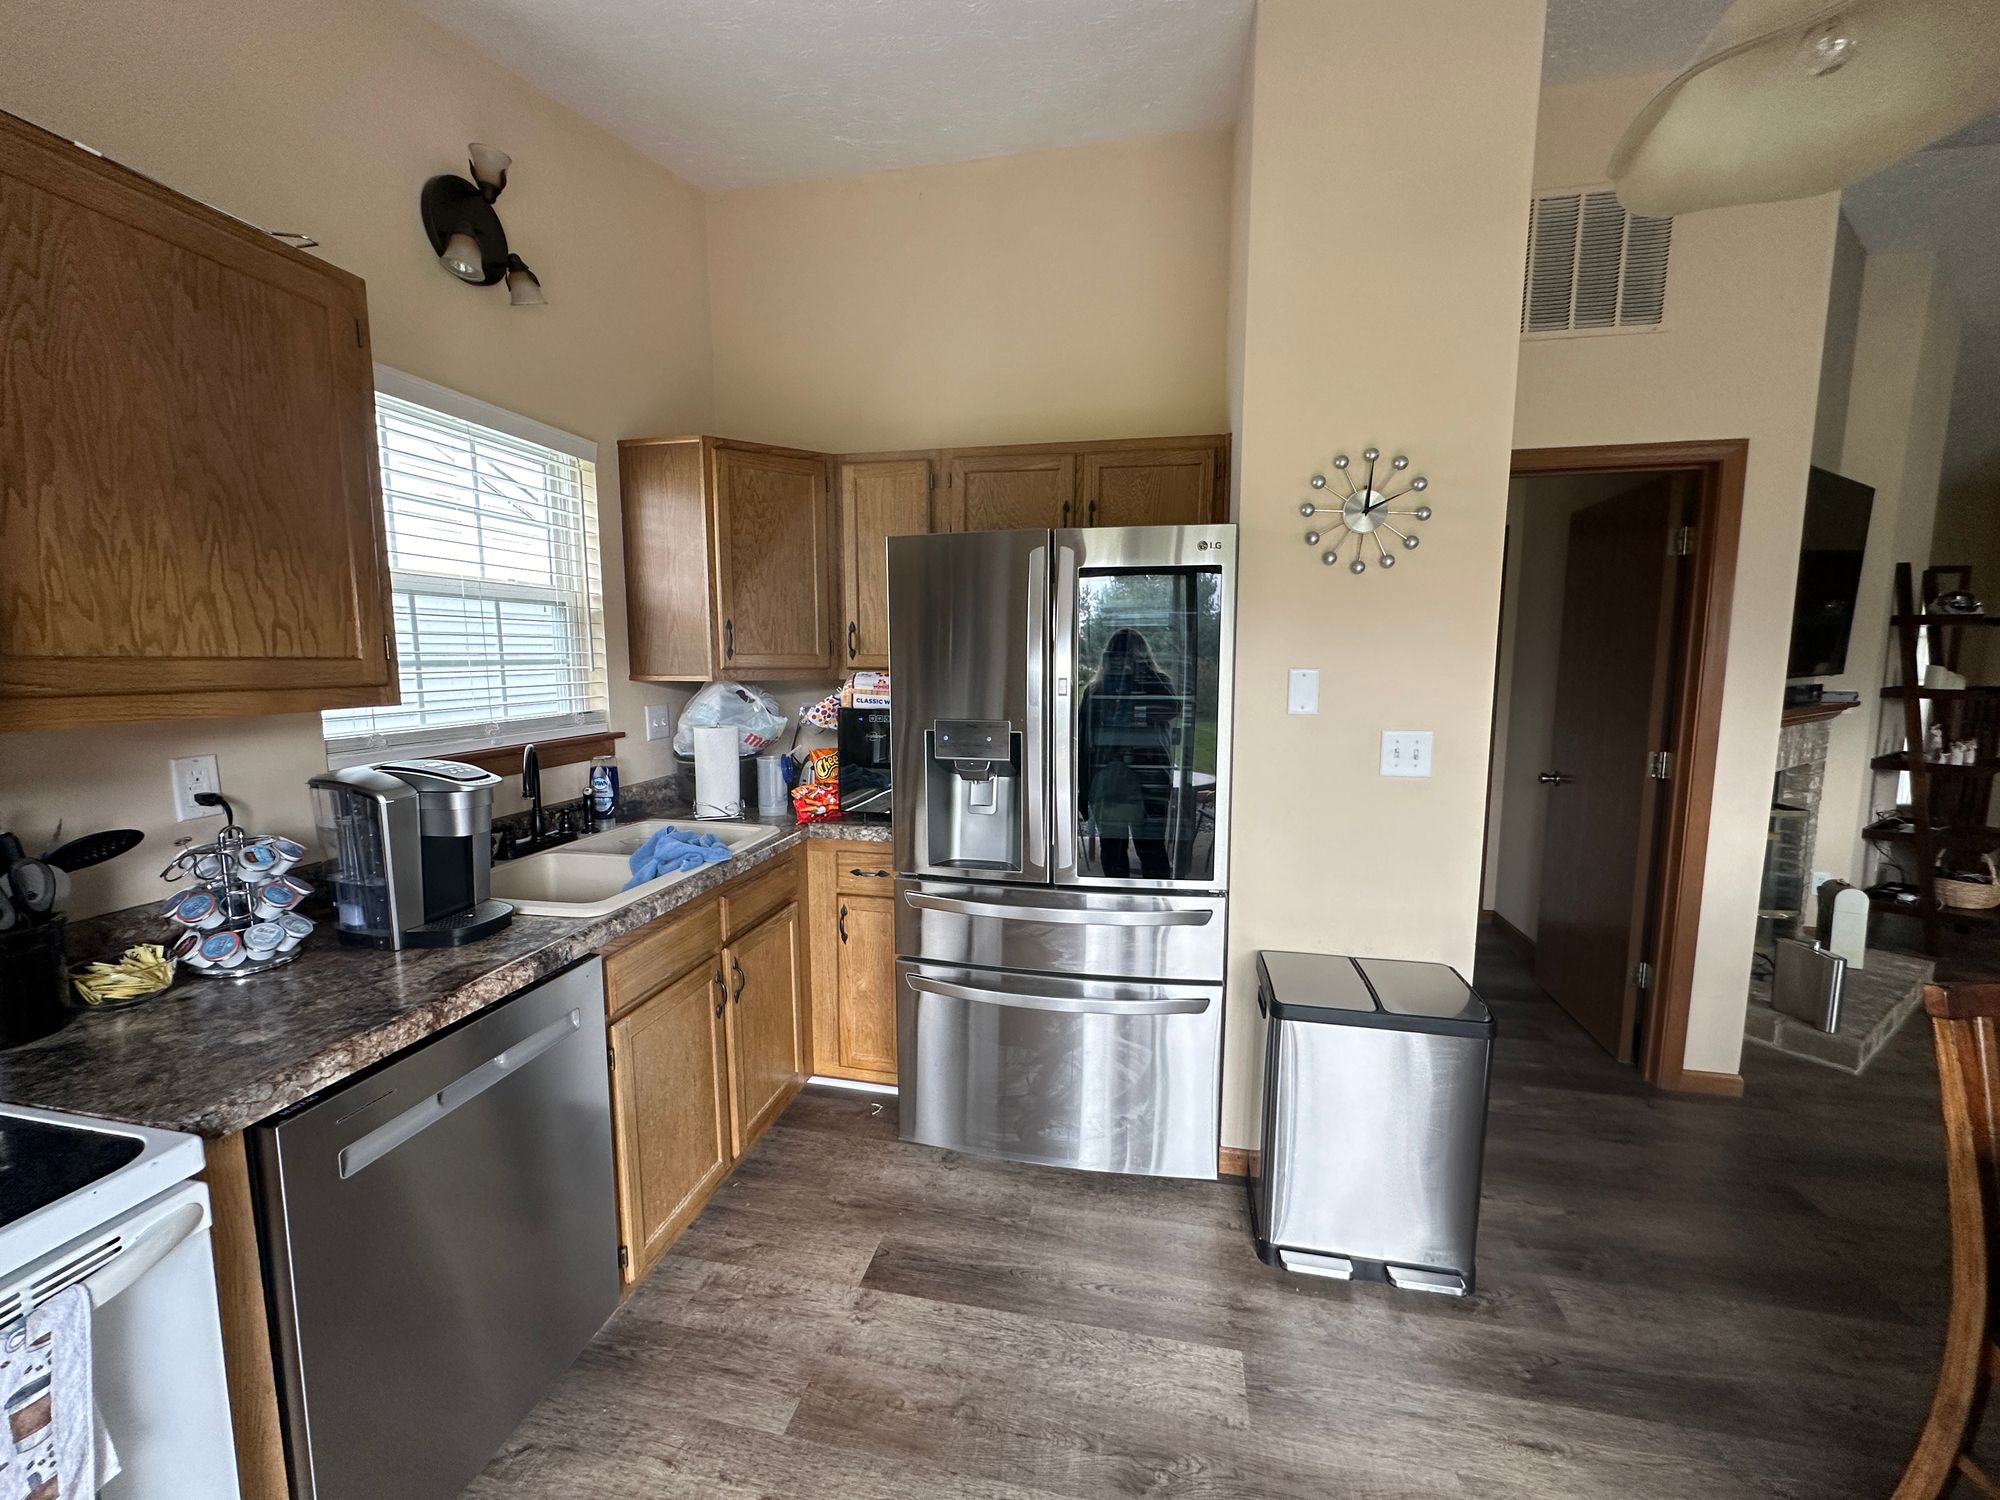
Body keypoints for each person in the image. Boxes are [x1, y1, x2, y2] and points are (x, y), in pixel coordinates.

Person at [1078, 627, 1179, 879]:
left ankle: (1154, 903)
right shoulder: (1096, 691)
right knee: (1116, 848)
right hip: (1128, 778)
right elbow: (1084, 741)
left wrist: (1138, 679)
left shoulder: (1156, 683)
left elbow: (1171, 708)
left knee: (1148, 847)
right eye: (1119, 657)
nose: (1125, 663)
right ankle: (1137, 903)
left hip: (1140, 778)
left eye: (1131, 657)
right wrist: (1082, 790)